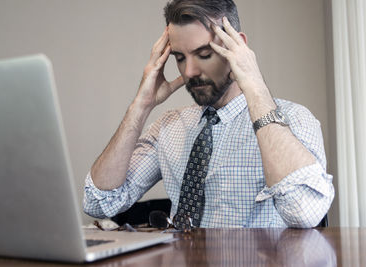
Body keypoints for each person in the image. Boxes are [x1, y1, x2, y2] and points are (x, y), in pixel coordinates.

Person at [84, 0, 334, 228]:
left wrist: (255, 87)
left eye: (204, 54)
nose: (189, 71)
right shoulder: (169, 127)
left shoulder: (293, 119)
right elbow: (99, 203)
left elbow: (304, 212)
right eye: (180, 58)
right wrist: (141, 105)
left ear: (238, 48)